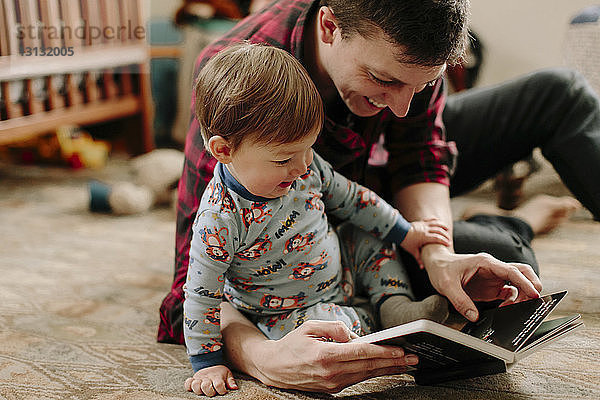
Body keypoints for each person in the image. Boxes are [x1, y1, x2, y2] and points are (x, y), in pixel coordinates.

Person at [162, 0, 596, 393]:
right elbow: (190, 289)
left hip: (367, 199)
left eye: (424, 85)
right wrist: (262, 357)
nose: (404, 108)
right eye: (383, 78)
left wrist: (435, 249)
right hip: (305, 237)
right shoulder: (237, 89)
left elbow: (419, 148)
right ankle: (519, 221)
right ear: (329, 27)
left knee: (562, 92)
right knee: (500, 260)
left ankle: (487, 224)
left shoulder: (412, 53)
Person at [184, 42, 457, 396]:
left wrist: (406, 232)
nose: (301, 168)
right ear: (224, 150)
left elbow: (354, 199)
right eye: (283, 160)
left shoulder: (303, 165)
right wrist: (208, 361)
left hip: (341, 268)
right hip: (286, 312)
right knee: (322, 331)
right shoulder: (218, 221)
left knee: (370, 234)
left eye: (308, 150)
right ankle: (365, 327)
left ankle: (395, 307)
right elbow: (201, 296)